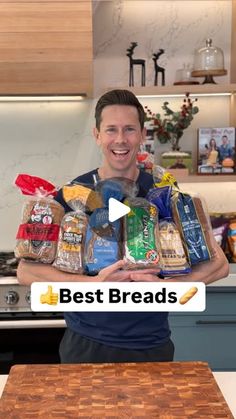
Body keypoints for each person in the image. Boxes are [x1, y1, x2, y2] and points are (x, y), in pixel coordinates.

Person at [17, 89, 229, 364]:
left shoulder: (164, 191)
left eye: (129, 129)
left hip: (152, 346)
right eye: (111, 130)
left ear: (142, 135)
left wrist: (169, 290)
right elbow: (26, 271)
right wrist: (92, 285)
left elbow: (219, 264)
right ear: (97, 135)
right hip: (86, 345)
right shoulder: (72, 195)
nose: (120, 139)